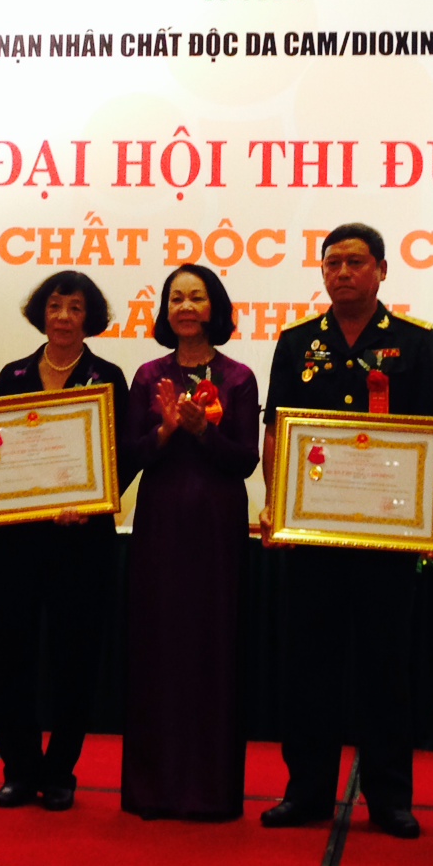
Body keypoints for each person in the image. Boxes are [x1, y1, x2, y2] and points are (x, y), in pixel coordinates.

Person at [258, 223, 433, 840]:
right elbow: (276, 430)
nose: (342, 272)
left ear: (382, 271)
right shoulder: (296, 342)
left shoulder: (414, 341)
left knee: (384, 666)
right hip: (312, 531)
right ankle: (306, 791)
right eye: (332, 263)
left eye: (356, 262)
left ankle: (389, 797)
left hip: (386, 532)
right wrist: (275, 504)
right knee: (306, 664)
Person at [0, 270, 129, 812]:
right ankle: (18, 770)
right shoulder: (13, 374)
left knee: (75, 658)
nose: (64, 317)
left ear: (90, 318)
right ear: (41, 313)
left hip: (81, 542)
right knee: (10, 656)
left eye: (75, 308)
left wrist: (91, 500)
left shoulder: (107, 377)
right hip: (14, 542)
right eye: (55, 307)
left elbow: (122, 456)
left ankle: (61, 770)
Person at [120, 265, 260, 821]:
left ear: (214, 307)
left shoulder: (239, 377)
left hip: (217, 527)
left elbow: (245, 461)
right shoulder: (148, 375)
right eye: (175, 298)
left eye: (196, 297)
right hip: (160, 525)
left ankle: (209, 790)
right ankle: (153, 790)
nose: (185, 307)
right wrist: (166, 430)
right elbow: (130, 456)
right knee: (158, 646)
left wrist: (203, 430)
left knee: (211, 646)